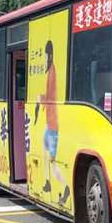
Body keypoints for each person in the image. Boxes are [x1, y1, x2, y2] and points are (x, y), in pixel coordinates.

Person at [34, 40, 70, 205]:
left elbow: (52, 97)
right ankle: (48, 183)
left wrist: (40, 98)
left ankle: (65, 187)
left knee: (53, 160)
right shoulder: (51, 70)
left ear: (50, 54)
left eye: (46, 54)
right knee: (43, 151)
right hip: (49, 124)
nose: (45, 58)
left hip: (53, 124)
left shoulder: (53, 71)